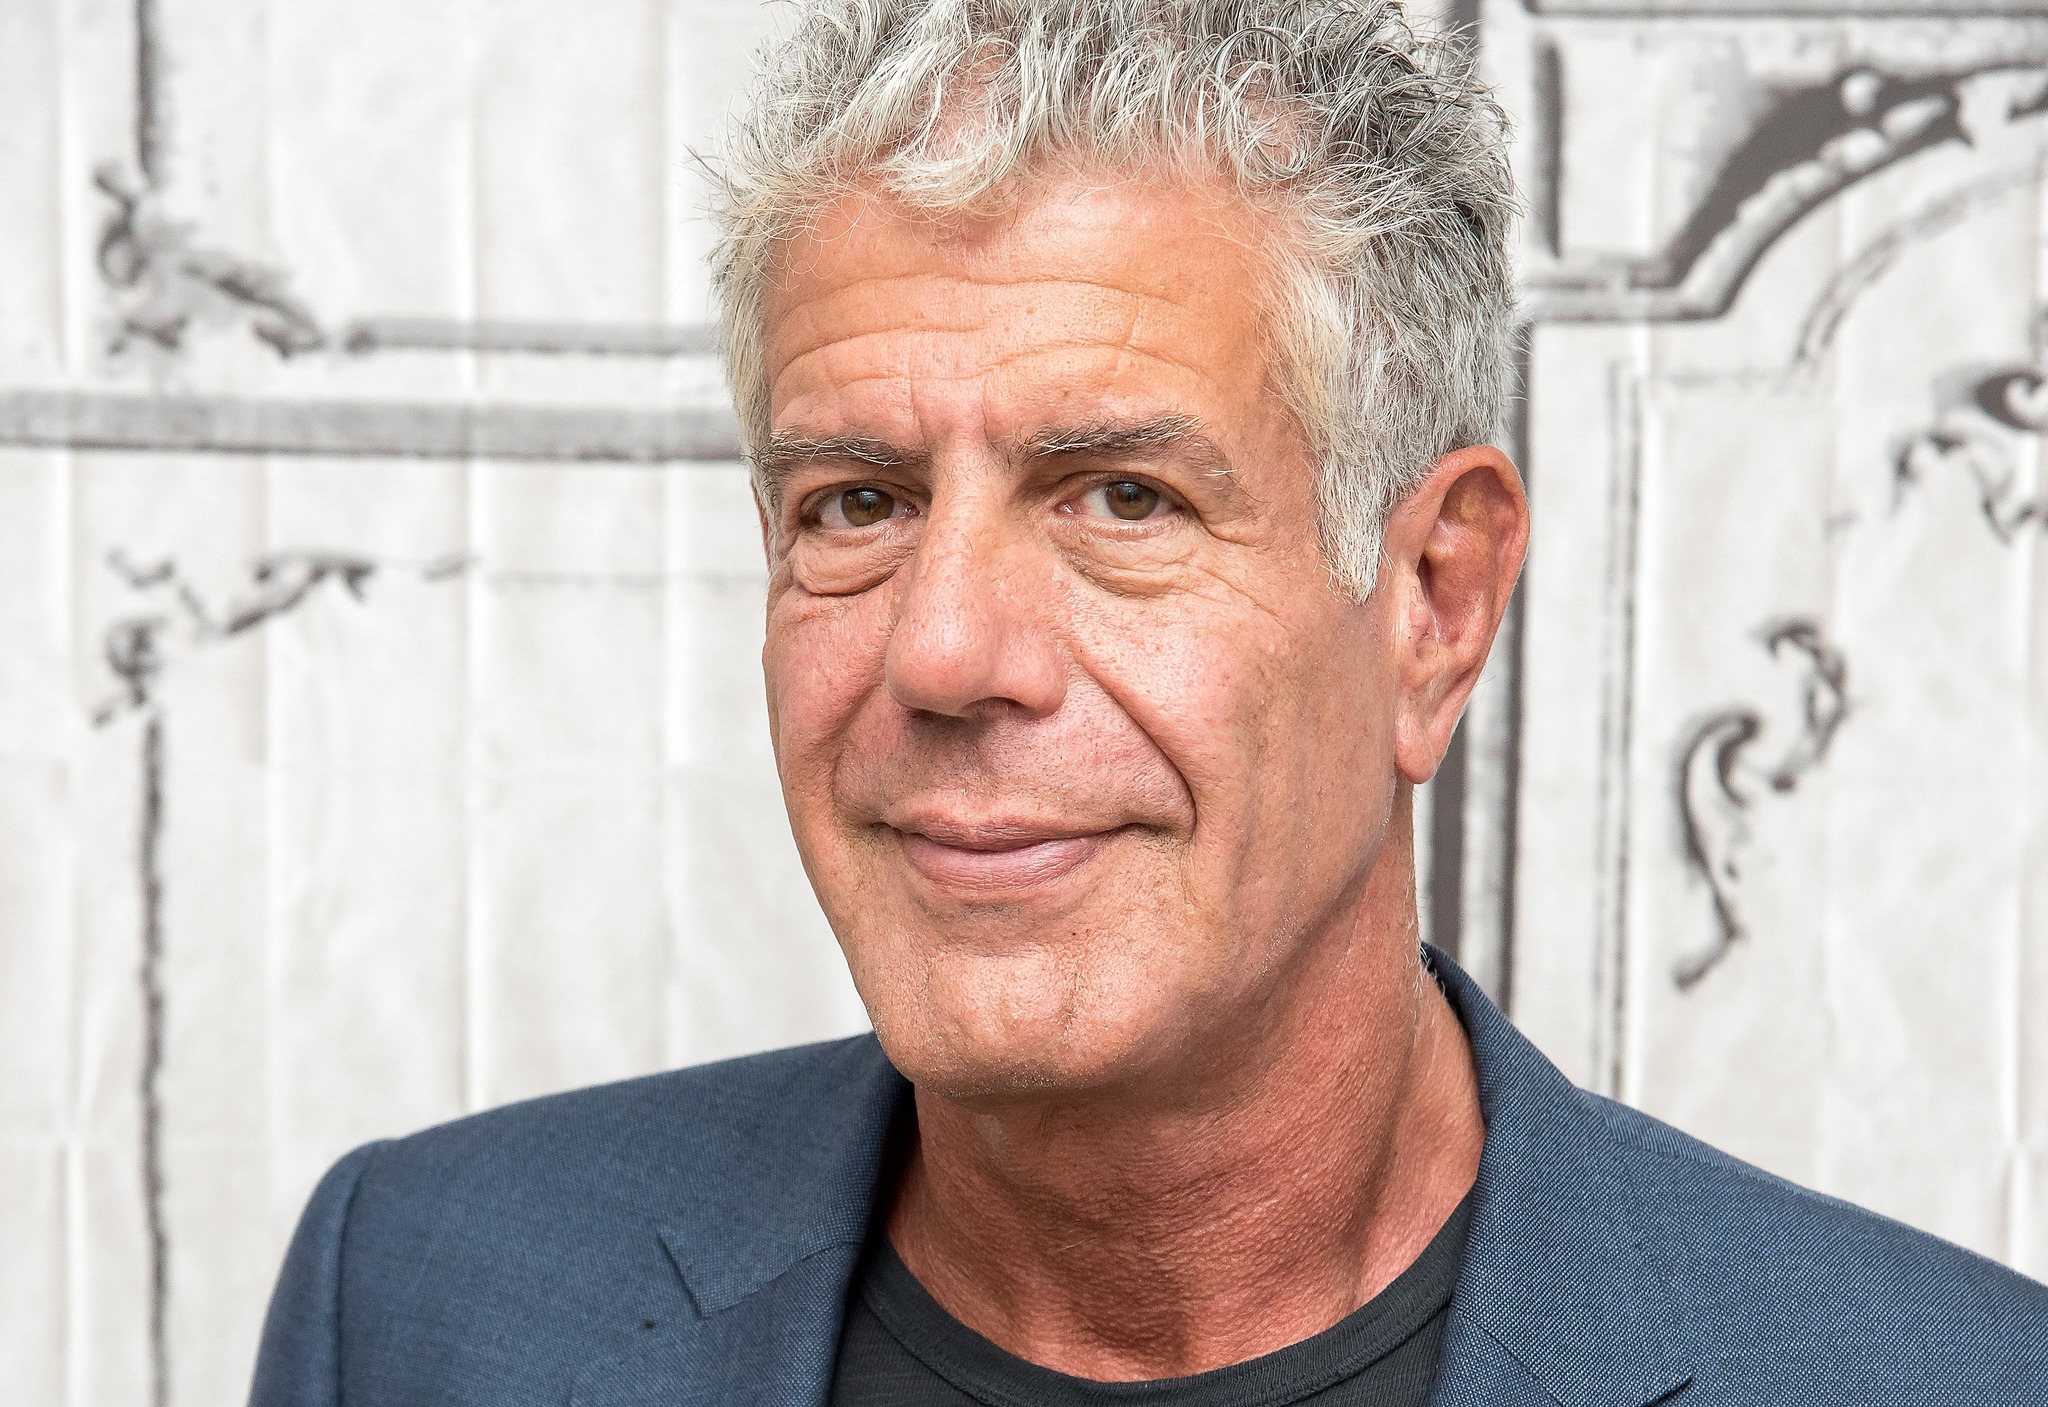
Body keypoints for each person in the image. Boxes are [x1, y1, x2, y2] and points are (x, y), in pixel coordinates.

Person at [248, 1, 2048, 1402]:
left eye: (1125, 497)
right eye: (856, 505)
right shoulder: (416, 1305)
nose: (946, 653)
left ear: (1435, 603)